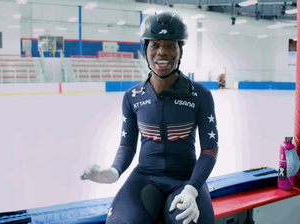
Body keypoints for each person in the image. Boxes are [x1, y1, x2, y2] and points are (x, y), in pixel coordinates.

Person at [81, 11, 218, 224]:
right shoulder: (132, 97)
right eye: (154, 45)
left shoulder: (200, 95)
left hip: (187, 179)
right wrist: (114, 171)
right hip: (144, 177)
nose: (162, 52)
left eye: (170, 45)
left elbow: (210, 149)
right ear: (145, 50)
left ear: (180, 51)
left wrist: (192, 188)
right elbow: (127, 146)